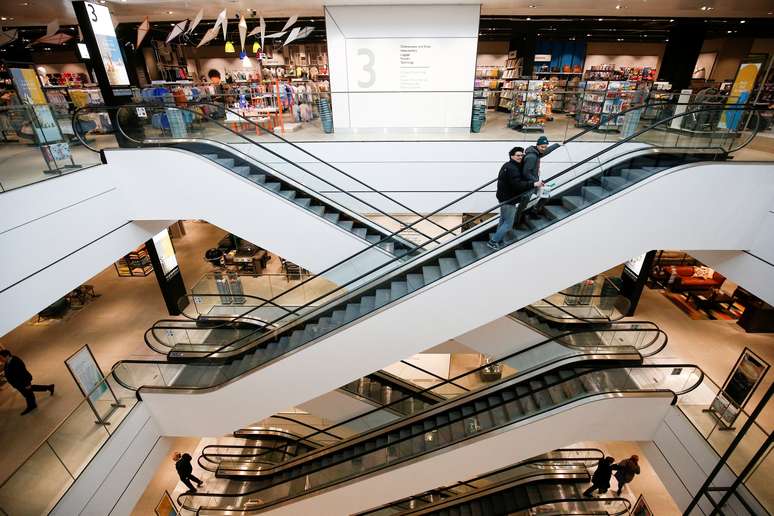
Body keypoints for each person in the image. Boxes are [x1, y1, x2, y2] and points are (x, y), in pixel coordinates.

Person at [487, 146, 542, 250]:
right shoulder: (513, 169)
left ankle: (499, 240)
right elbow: (518, 185)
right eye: (517, 155)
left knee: (503, 221)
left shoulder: (509, 165)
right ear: (512, 156)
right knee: (508, 224)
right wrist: (534, 184)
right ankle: (493, 242)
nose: (520, 157)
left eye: (522, 155)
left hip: (503, 197)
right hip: (509, 199)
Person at [0, 349, 54, 415]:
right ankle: (49, 387)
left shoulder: (16, 362)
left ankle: (32, 406)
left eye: (1, 357)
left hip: (23, 381)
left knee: (28, 394)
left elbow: (23, 373)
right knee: (30, 389)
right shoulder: (7, 362)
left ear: (7, 356)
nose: (1, 359)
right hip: (18, 383)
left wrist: (27, 383)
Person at [522, 135, 561, 217]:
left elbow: (547, 151)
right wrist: (536, 182)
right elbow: (526, 173)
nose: (544, 149)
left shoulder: (537, 153)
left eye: (545, 147)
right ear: (537, 145)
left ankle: (534, 212)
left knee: (545, 194)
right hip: (529, 184)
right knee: (523, 205)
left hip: (534, 183)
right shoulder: (532, 156)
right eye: (542, 147)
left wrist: (557, 144)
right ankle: (516, 222)